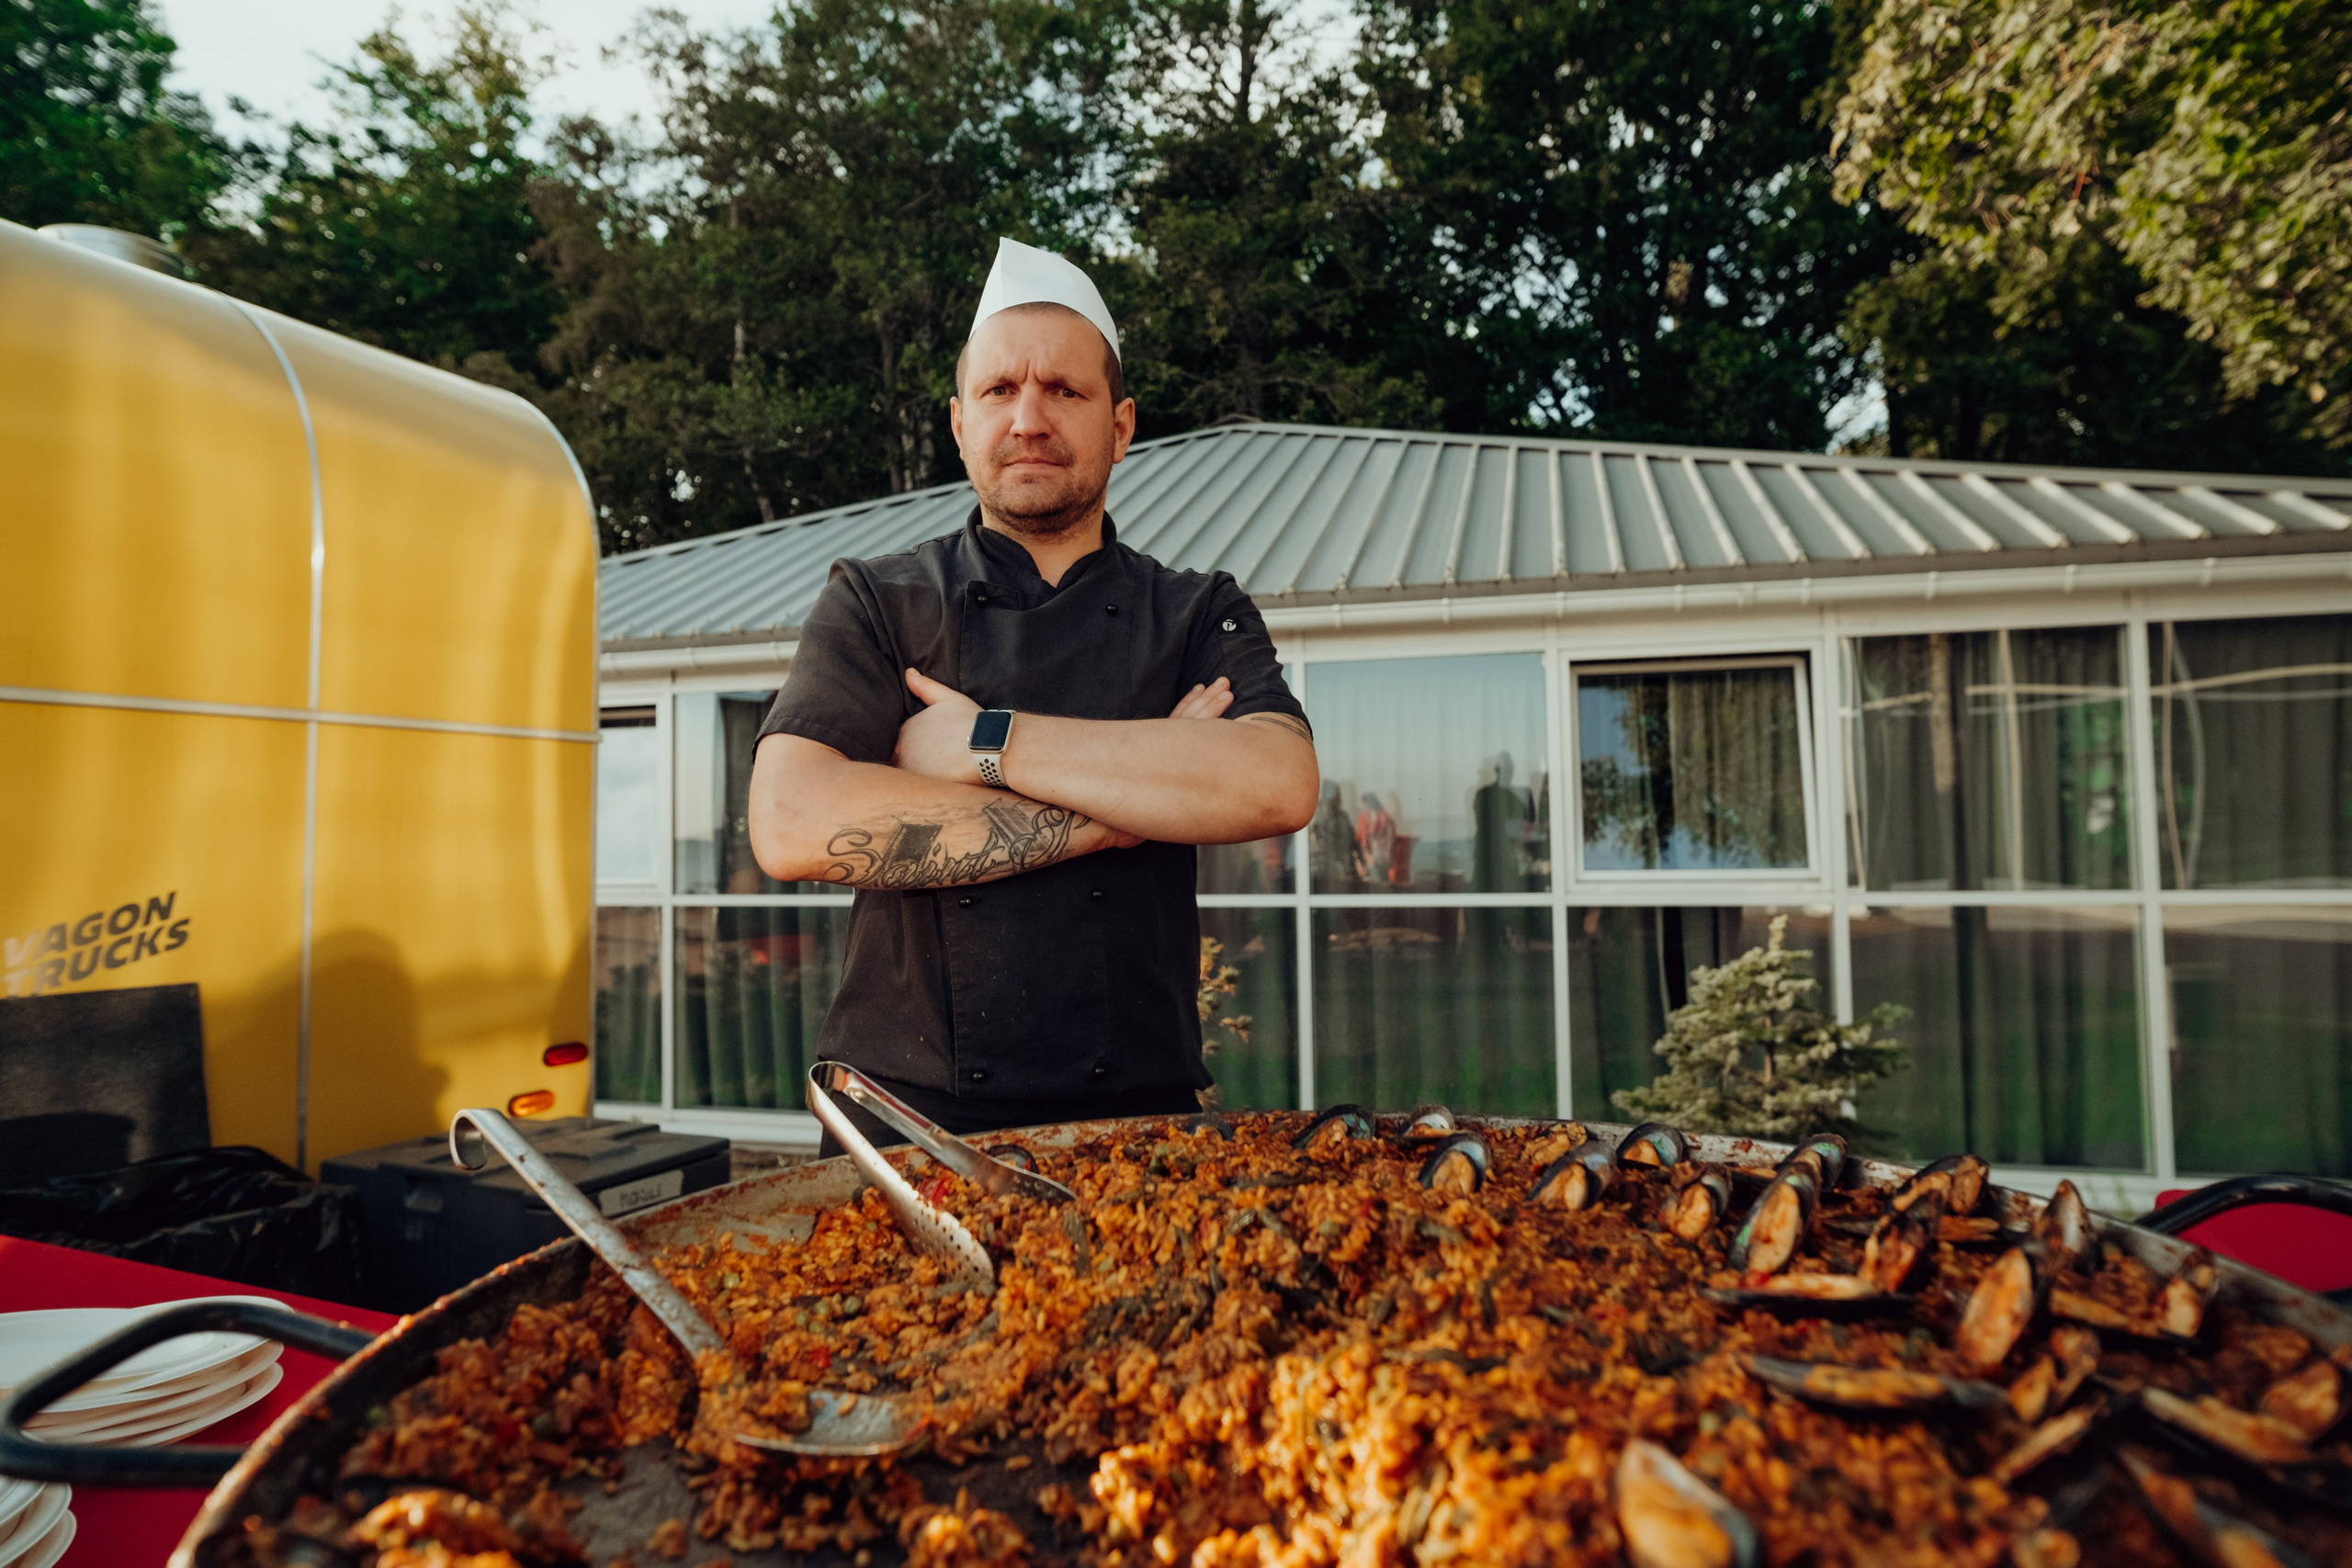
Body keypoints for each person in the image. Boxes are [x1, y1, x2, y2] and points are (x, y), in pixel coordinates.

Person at [746, 238, 1320, 1148]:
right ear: (959, 422)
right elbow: (791, 823)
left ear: (1122, 425)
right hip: (905, 1118)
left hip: (1139, 1111)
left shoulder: (1193, 608)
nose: (1029, 417)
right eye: (999, 390)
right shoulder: (876, 598)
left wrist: (987, 742)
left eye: (1065, 390)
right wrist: (1125, 811)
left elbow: (1276, 782)